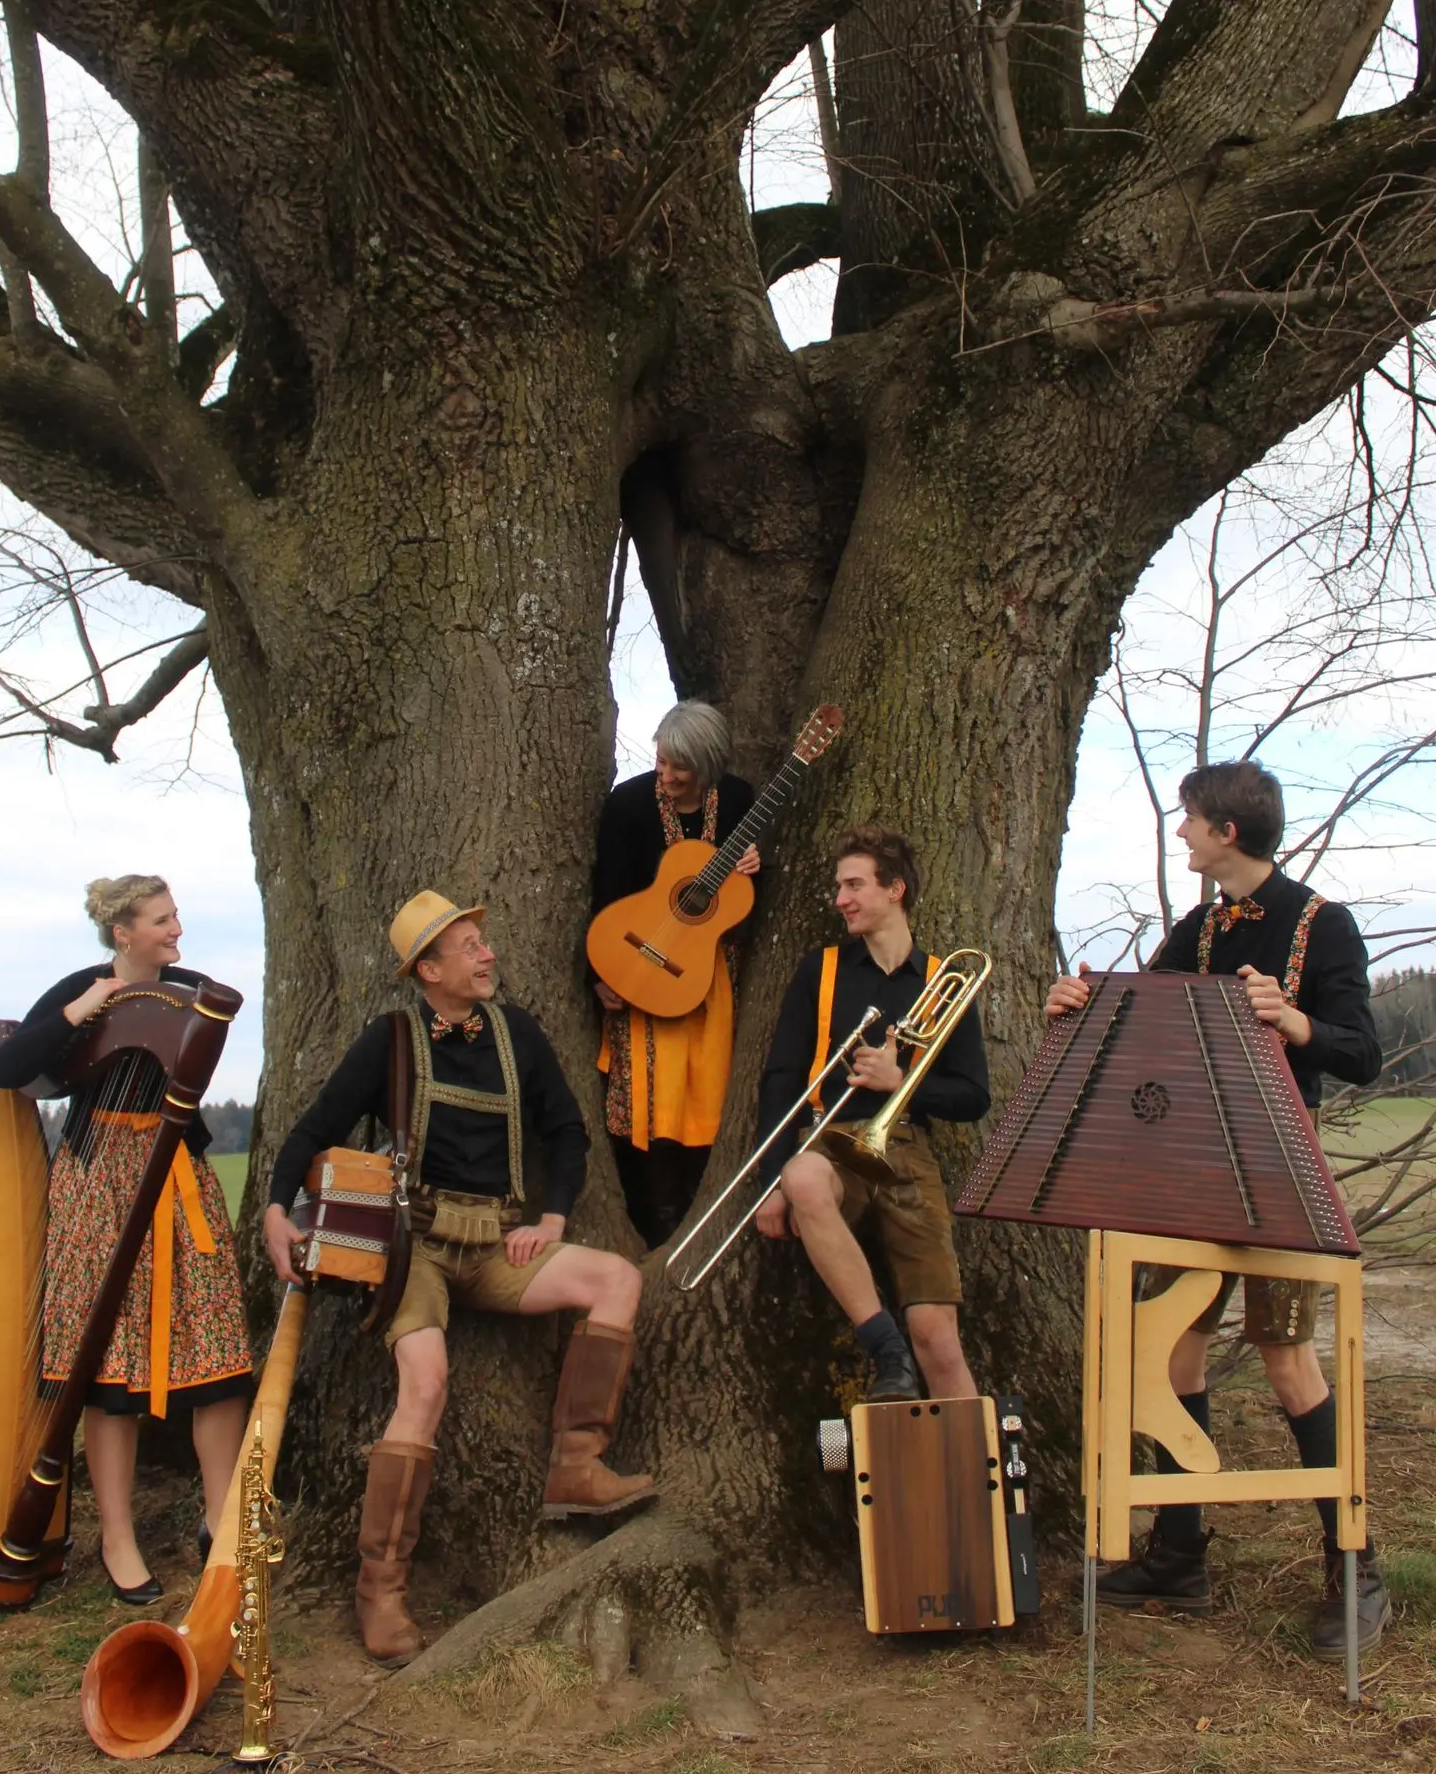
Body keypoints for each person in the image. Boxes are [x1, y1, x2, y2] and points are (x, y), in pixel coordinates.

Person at [1045, 759, 1386, 1658]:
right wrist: (1077, 1005)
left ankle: (1354, 1567)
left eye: (1188, 818)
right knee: (1168, 1354)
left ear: (1226, 831)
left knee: (1287, 1361)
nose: (1180, 831)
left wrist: (1292, 1019)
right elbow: (1135, 1020)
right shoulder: (1197, 928)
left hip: (1279, 1174)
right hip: (1191, 1176)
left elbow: (1361, 1052)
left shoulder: (1321, 924)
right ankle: (1178, 1554)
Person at [263, 889, 655, 1667]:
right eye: (469, 946)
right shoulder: (390, 1041)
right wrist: (275, 1210)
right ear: (429, 970)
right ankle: (380, 1587)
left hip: (499, 1246)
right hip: (413, 1251)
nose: (488, 955)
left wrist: (551, 1217)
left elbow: (567, 1131)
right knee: (425, 1384)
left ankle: (577, 1465)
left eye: (483, 942)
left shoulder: (517, 1033)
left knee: (616, 1280)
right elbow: (314, 1128)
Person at [0, 876, 251, 1605]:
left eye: (175, 915)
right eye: (162, 920)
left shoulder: (195, 992)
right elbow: (10, 1069)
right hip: (96, 1181)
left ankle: (222, 1518)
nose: (177, 929)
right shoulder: (82, 986)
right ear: (122, 933)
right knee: (104, 1364)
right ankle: (116, 1536)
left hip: (177, 1177)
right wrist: (84, 1008)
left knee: (217, 1346)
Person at [752, 825, 990, 1402]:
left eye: (854, 885)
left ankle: (973, 1457)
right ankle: (885, 1348)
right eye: (840, 887)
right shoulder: (821, 970)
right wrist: (770, 1182)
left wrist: (901, 1083)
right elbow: (781, 1078)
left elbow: (973, 1095)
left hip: (906, 1148)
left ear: (895, 889)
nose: (841, 899)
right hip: (830, 1139)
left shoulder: (944, 980)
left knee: (939, 1340)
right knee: (803, 1177)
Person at [591, 701, 760, 1245]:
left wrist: (752, 868)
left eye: (679, 767)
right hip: (644, 971)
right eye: (661, 761)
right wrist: (601, 974)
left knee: (708, 1095)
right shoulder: (629, 805)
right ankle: (655, 1220)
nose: (665, 775)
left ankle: (698, 1210)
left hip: (709, 973)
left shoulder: (738, 800)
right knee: (651, 1104)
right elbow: (607, 896)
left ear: (708, 766)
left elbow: (745, 898)